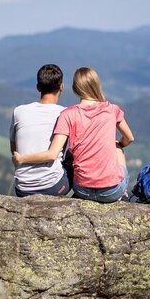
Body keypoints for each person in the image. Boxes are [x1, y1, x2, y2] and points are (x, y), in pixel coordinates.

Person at [13, 67, 134, 203]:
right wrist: (117, 145)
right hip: (111, 192)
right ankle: (122, 194)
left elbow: (52, 152)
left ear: (75, 88)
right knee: (117, 147)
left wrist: (22, 159)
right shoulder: (112, 110)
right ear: (97, 85)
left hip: (81, 190)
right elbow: (130, 138)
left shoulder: (67, 114)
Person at [9, 64, 72, 197]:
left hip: (22, 189)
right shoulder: (65, 113)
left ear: (38, 87)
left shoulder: (19, 111)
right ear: (62, 87)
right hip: (53, 187)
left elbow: (14, 151)